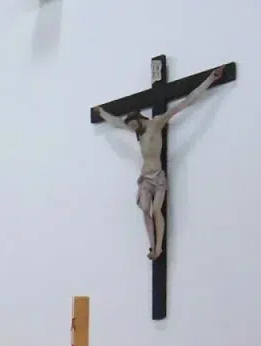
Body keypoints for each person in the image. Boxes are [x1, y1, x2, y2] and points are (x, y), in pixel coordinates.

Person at [95, 66, 226, 260]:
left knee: (156, 210)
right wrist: (102, 113)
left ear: (141, 120)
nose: (133, 131)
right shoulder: (136, 130)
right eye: (131, 128)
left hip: (158, 176)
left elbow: (185, 103)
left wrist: (209, 80)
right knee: (144, 211)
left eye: (135, 126)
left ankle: (159, 248)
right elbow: (117, 123)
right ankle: (152, 246)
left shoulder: (156, 123)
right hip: (145, 178)